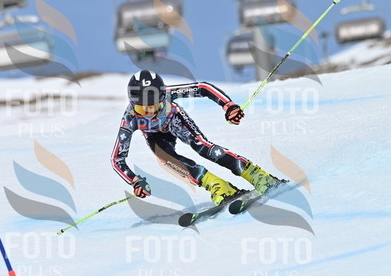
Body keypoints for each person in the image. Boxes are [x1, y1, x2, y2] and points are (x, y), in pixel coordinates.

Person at [111, 70, 281, 205]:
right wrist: (134, 180)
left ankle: (257, 175)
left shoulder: (168, 93)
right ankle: (218, 186)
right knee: (167, 159)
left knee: (203, 147)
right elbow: (117, 159)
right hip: (155, 136)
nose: (149, 114)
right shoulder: (130, 119)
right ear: (132, 104)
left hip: (175, 121)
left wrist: (228, 106)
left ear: (163, 98)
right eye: (142, 109)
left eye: (155, 107)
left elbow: (202, 87)